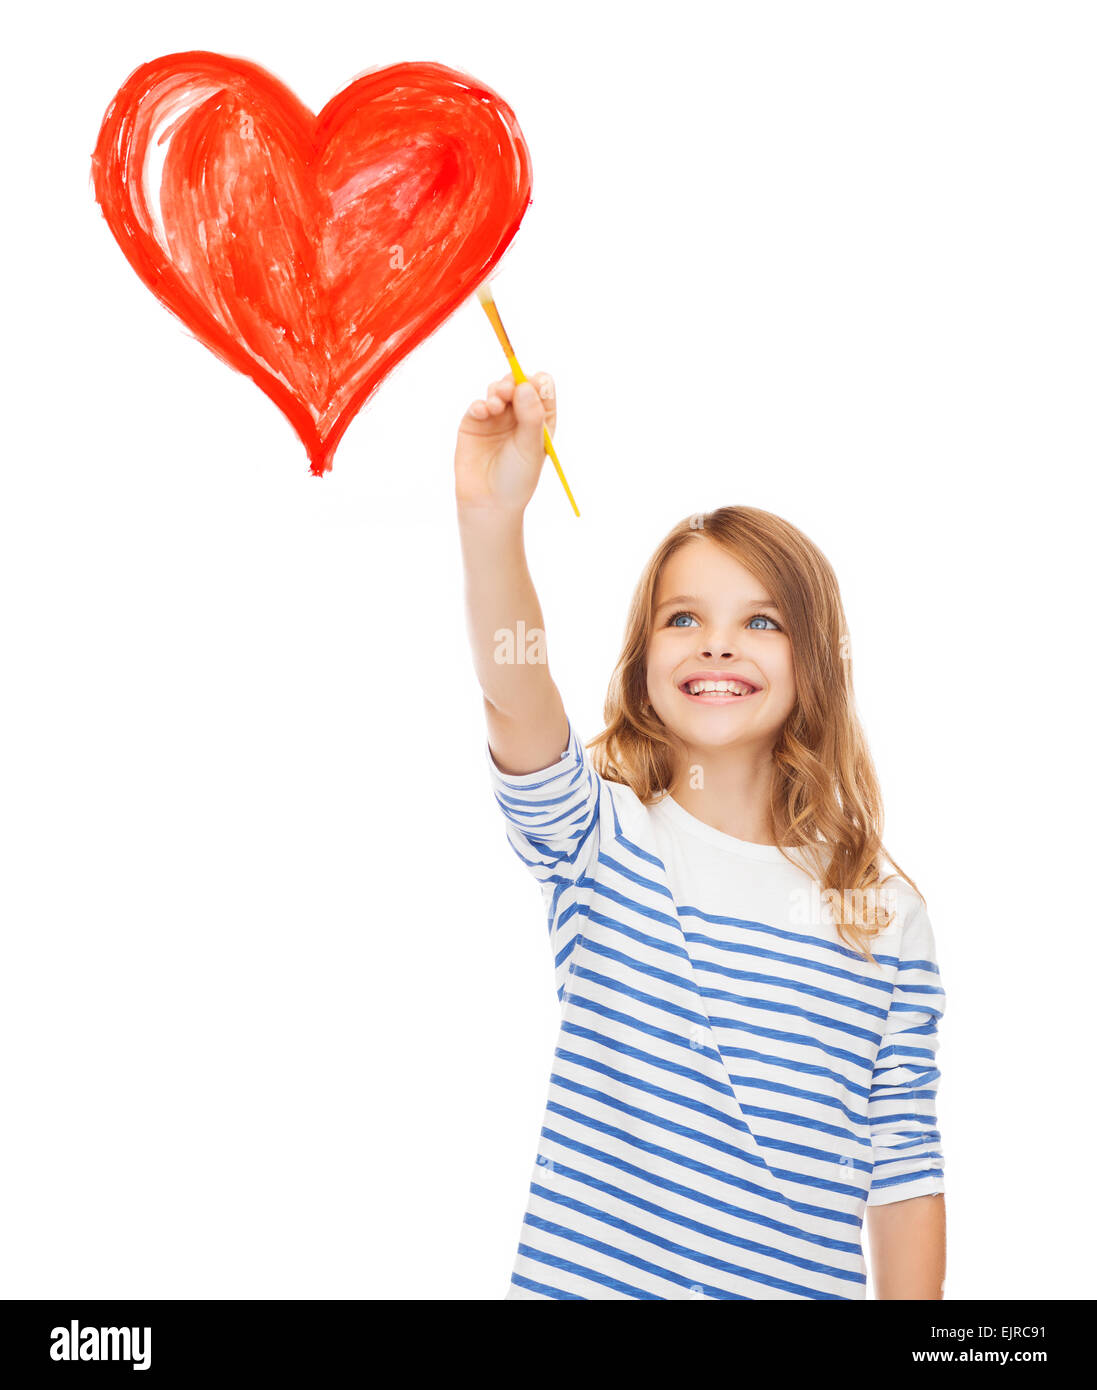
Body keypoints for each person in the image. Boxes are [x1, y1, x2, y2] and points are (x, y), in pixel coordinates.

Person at [455, 370, 947, 1301]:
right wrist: (492, 520)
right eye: (684, 619)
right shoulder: (598, 841)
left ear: (817, 664)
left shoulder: (882, 914)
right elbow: (512, 694)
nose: (716, 645)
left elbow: (903, 1170)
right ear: (642, 662)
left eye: (760, 621)